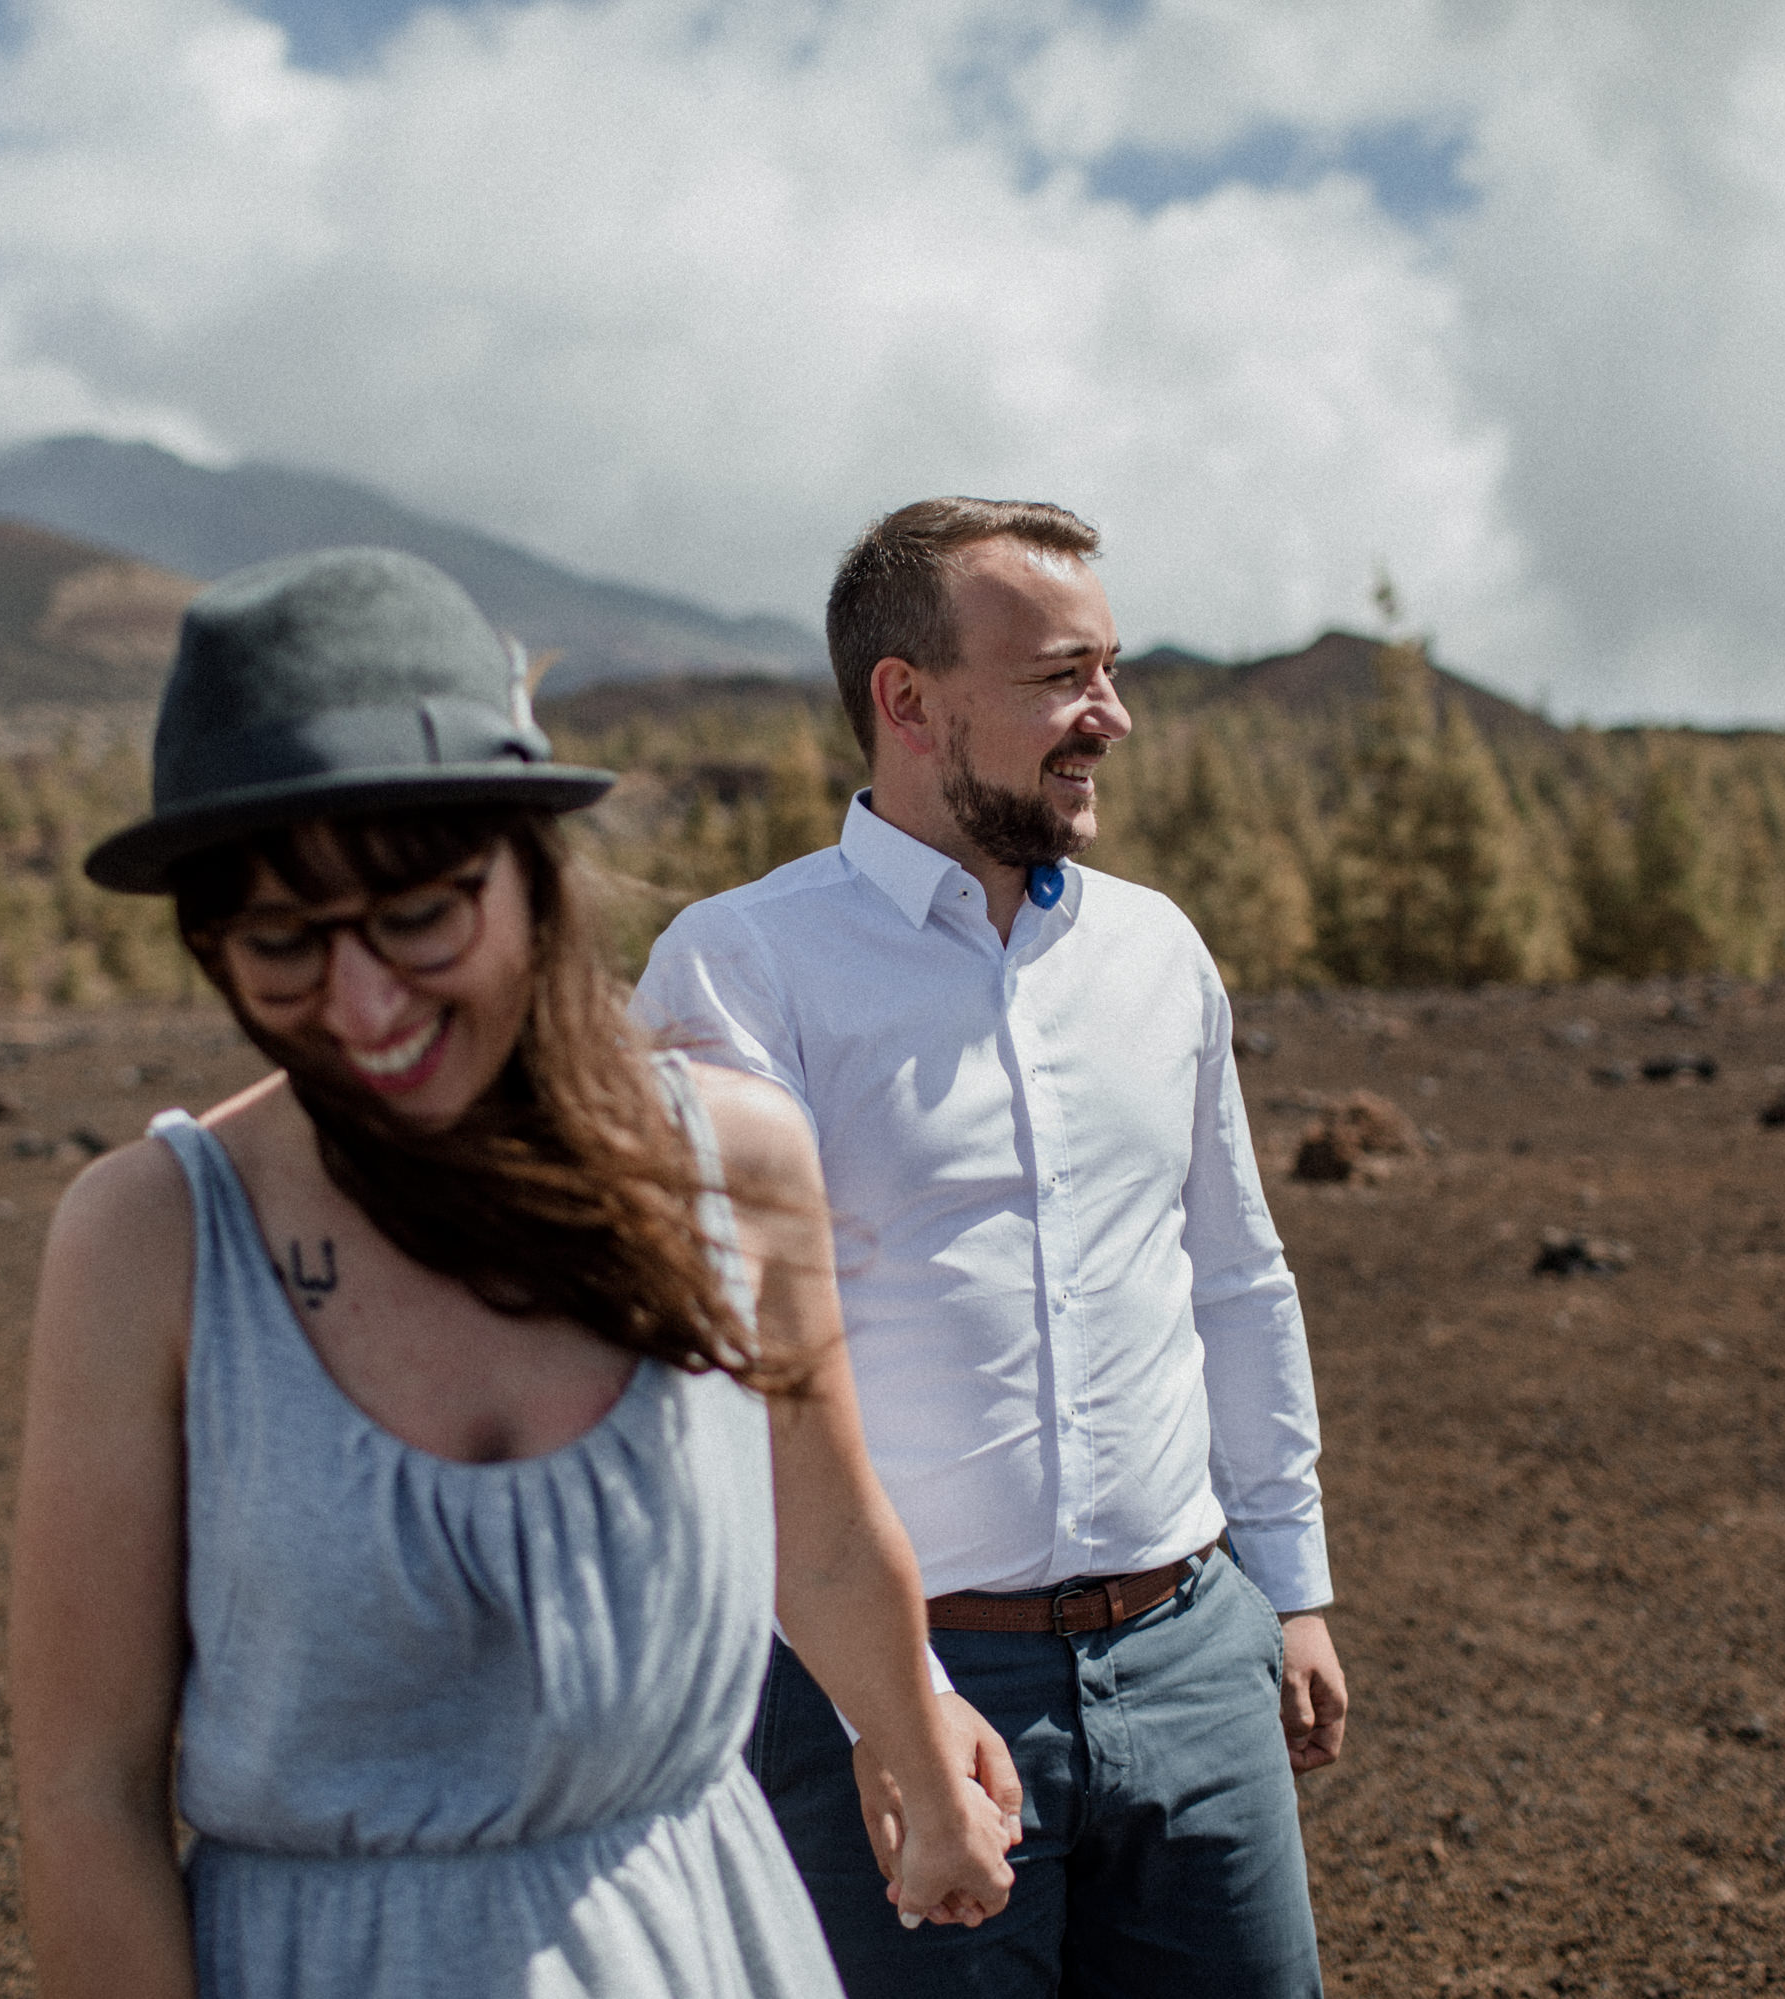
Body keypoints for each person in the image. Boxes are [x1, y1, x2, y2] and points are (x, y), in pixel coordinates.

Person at [8, 546, 1019, 1999]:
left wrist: (922, 1766)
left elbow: (833, 1536)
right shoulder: (150, 1243)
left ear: (531, 874)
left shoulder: (733, 1167)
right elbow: (85, 1793)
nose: (360, 1009)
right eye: (281, 944)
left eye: (420, 913)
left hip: (695, 1944)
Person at [630, 498, 1348, 1997]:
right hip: (894, 1691)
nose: (1114, 718)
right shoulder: (742, 966)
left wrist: (1288, 1588)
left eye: (1110, 670)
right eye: (1063, 679)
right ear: (908, 701)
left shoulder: (1160, 952)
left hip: (1195, 1658)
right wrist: (886, 1704)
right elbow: (712, 1376)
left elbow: (1231, 1273)